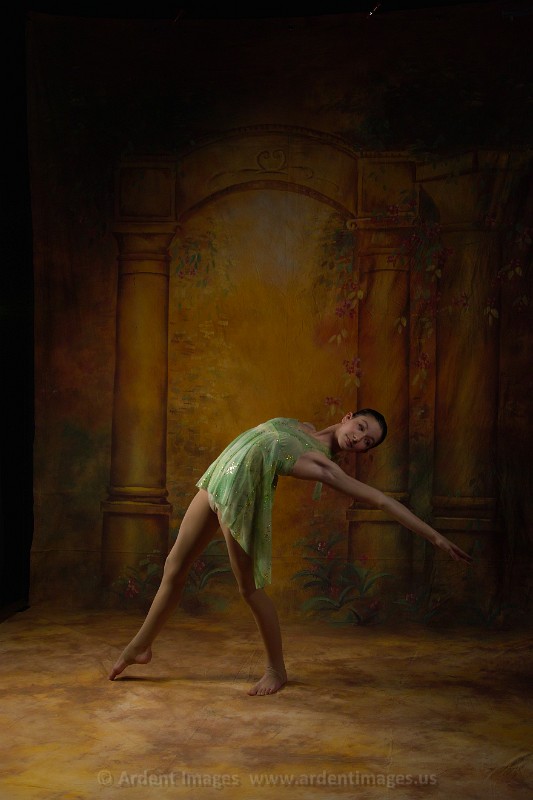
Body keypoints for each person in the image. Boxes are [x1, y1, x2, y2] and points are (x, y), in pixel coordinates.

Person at [108, 410, 472, 695]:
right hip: (217, 480)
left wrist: (436, 538)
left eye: (367, 442)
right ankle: (141, 647)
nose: (359, 439)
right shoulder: (302, 426)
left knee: (249, 590)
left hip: (239, 500)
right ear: (347, 417)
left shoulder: (323, 465)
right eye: (361, 428)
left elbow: (380, 499)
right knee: (174, 567)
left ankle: (276, 670)